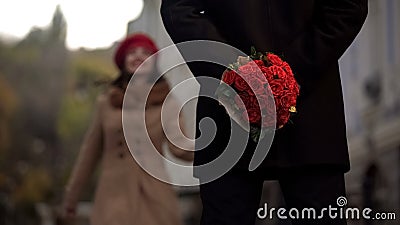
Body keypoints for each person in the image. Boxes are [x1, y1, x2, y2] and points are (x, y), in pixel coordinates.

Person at [161, 1, 368, 224]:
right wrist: (282, 73)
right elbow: (348, 8)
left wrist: (237, 74)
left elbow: (178, 11)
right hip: (308, 108)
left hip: (232, 112)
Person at [62, 33, 194, 225]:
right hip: (112, 197)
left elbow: (179, 146)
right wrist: (71, 199)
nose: (138, 56)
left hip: (155, 197)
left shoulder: (167, 102)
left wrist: (216, 146)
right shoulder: (107, 103)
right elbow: (89, 154)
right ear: (123, 61)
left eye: (145, 53)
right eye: (132, 52)